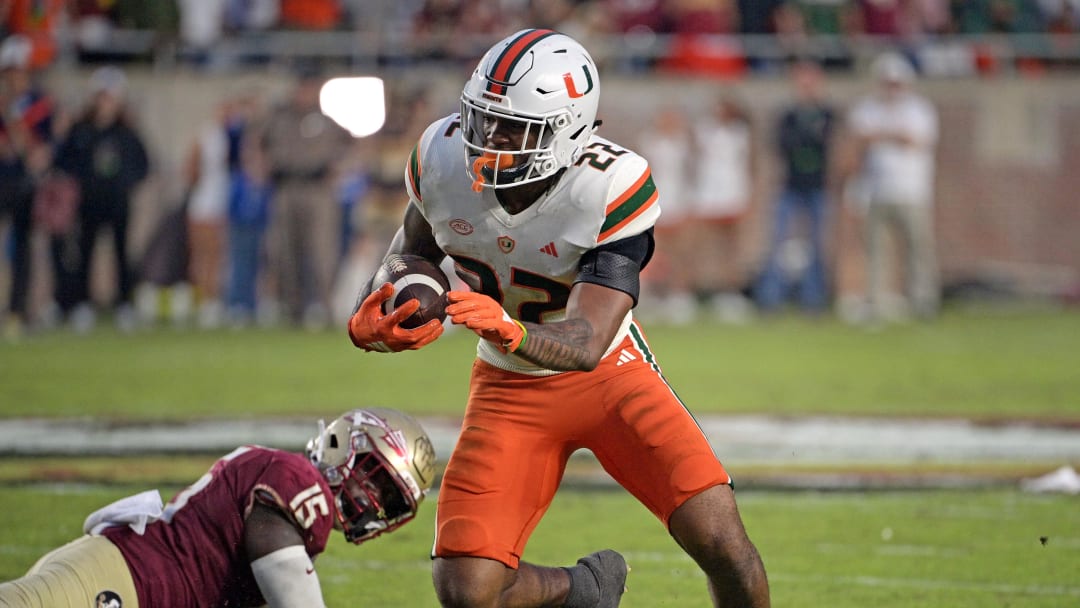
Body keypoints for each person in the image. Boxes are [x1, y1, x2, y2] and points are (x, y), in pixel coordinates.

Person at [346, 29, 770, 608]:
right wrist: (386, 302)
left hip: (613, 380)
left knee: (722, 541)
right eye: (483, 118)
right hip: (507, 387)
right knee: (466, 591)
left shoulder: (610, 185)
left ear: (568, 129)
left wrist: (510, 329)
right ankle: (583, 591)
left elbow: (589, 340)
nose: (489, 139)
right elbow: (413, 249)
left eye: (513, 127)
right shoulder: (442, 157)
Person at [0, 407, 437, 608]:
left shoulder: (289, 483)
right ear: (344, 445)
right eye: (374, 477)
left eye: (390, 499)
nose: (373, 501)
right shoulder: (300, 483)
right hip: (119, 584)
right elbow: (288, 583)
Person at [50, 66, 150, 333]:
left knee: (121, 254)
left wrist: (127, 185)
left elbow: (143, 164)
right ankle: (82, 304)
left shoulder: (126, 133)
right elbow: (63, 161)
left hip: (118, 203)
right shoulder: (81, 130)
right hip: (88, 203)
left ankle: (124, 304)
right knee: (85, 253)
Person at [847, 51, 940, 322]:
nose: (891, 88)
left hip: (912, 190)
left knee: (918, 249)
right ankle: (874, 302)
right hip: (876, 189)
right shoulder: (868, 107)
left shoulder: (919, 109)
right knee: (875, 251)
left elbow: (915, 140)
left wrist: (882, 135)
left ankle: (922, 301)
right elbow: (859, 140)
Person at [755, 58, 837, 314]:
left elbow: (827, 145)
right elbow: (784, 145)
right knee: (777, 240)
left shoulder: (827, 114)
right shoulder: (789, 116)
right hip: (790, 185)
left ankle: (813, 298)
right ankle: (771, 298)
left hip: (818, 186)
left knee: (817, 243)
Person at [0, 34, 58, 340]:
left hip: (23, 184)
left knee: (22, 250)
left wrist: (15, 126)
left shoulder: (38, 103)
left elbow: (39, 150)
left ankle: (17, 311)